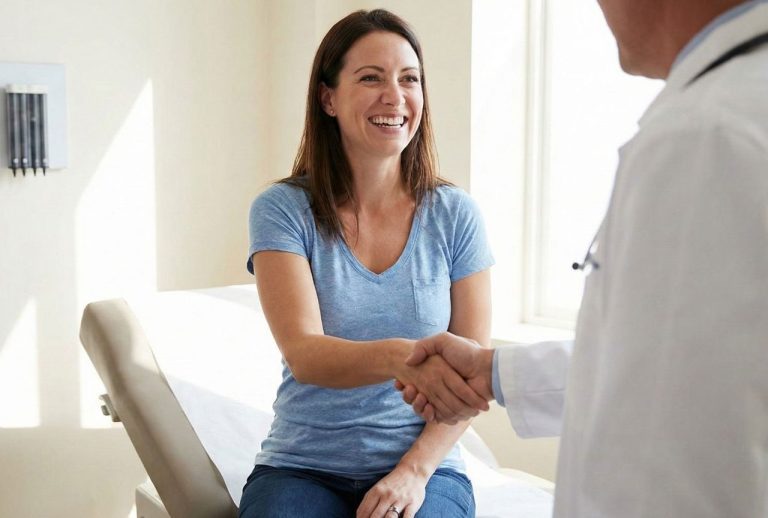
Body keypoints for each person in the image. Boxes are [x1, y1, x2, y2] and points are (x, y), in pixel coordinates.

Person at [397, 1, 768, 516]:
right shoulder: (730, 111)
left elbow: (678, 450)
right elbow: (659, 361)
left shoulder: (706, 137)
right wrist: (494, 372)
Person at [240, 9, 494, 518]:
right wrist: (404, 358)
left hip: (425, 467)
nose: (395, 97)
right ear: (328, 98)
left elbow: (471, 376)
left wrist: (415, 471)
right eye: (371, 78)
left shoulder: (455, 215)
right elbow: (306, 354)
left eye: (409, 79)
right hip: (302, 465)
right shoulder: (283, 210)